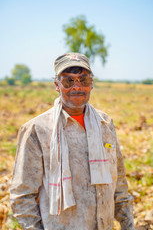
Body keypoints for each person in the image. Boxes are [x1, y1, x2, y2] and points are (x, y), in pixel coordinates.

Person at [10, 52, 135, 230]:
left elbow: (119, 186)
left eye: (83, 80)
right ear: (57, 84)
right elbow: (22, 196)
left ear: (91, 84)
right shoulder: (37, 130)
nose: (77, 87)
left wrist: (128, 225)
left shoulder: (104, 123)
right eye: (68, 80)